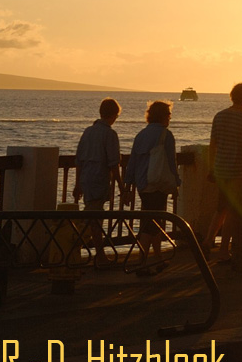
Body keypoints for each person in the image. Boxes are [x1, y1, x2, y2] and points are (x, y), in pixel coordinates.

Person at [203, 83, 242, 262]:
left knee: (221, 208)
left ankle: (207, 242)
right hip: (237, 172)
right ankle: (224, 250)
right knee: (232, 212)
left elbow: (213, 144)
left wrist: (212, 167)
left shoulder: (219, 116)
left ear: (232, 96)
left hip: (220, 170)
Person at [127, 99, 180, 275]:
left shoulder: (140, 135)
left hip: (143, 184)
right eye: (169, 115)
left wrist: (129, 184)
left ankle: (157, 259)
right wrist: (176, 183)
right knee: (152, 224)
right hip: (159, 184)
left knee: (152, 221)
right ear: (163, 116)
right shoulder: (166, 135)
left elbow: (132, 162)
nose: (170, 118)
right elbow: (172, 163)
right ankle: (142, 263)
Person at [72, 97, 124, 263]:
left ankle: (94, 254)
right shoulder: (110, 134)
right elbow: (114, 164)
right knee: (92, 220)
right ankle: (78, 250)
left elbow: (79, 160)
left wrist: (77, 183)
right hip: (99, 180)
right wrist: (122, 188)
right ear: (114, 115)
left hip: (86, 179)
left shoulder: (88, 132)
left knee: (92, 217)